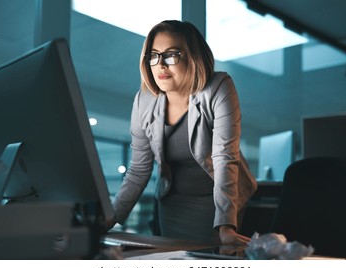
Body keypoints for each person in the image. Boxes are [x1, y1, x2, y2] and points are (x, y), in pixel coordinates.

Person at [109, 20, 257, 246]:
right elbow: (139, 169)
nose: (161, 65)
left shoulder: (219, 87)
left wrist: (226, 224)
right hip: (173, 202)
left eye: (171, 55)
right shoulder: (144, 101)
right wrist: (109, 218)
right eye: (154, 56)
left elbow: (224, 157)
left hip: (220, 200)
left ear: (193, 56)